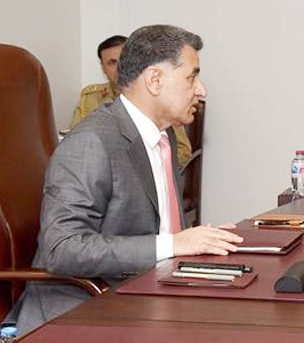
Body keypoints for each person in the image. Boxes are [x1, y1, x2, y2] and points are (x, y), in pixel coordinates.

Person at [5, 25, 243, 336]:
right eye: (191, 77)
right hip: (83, 307)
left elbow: (156, 229)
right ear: (155, 80)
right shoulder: (91, 142)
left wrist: (199, 245)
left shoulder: (164, 133)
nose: (201, 90)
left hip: (145, 290)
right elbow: (61, 249)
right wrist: (174, 244)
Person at [69, 34, 193, 168]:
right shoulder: (91, 98)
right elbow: (74, 143)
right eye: (112, 63)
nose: (119, 68)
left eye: (124, 60)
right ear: (103, 68)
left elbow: (182, 152)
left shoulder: (159, 97)